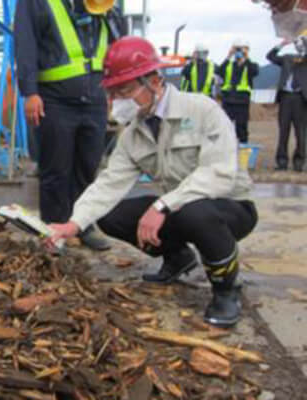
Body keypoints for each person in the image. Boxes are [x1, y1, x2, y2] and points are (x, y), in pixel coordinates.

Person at [47, 37, 258, 328]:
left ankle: (225, 288)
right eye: (113, 93)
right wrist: (74, 223)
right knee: (109, 215)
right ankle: (178, 257)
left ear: (155, 81)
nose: (117, 101)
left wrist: (161, 205)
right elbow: (109, 183)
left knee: (195, 211)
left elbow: (218, 174)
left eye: (126, 90)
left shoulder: (202, 110)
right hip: (177, 208)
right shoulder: (134, 134)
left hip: (230, 207)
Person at [14, 0, 127, 251]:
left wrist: (117, 91)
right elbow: (25, 45)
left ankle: (83, 225)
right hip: (53, 99)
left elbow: (118, 47)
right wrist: (29, 92)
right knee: (56, 169)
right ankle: (53, 229)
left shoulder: (104, 6)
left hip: (95, 99)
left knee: (87, 167)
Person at [267, 35, 307, 172]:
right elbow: (270, 56)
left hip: (300, 99)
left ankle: (299, 163)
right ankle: (282, 162)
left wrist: (304, 42)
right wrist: (282, 44)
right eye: (297, 43)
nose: (298, 45)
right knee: (283, 132)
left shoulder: (305, 60)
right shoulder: (287, 58)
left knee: (300, 133)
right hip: (285, 97)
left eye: (300, 43)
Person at [218, 39, 259, 143]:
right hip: (228, 101)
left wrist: (246, 57)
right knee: (224, 128)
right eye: (237, 49)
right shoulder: (229, 65)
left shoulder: (250, 65)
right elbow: (218, 71)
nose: (239, 52)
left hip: (242, 102)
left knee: (241, 128)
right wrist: (229, 55)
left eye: (241, 49)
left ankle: (242, 151)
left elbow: (254, 72)